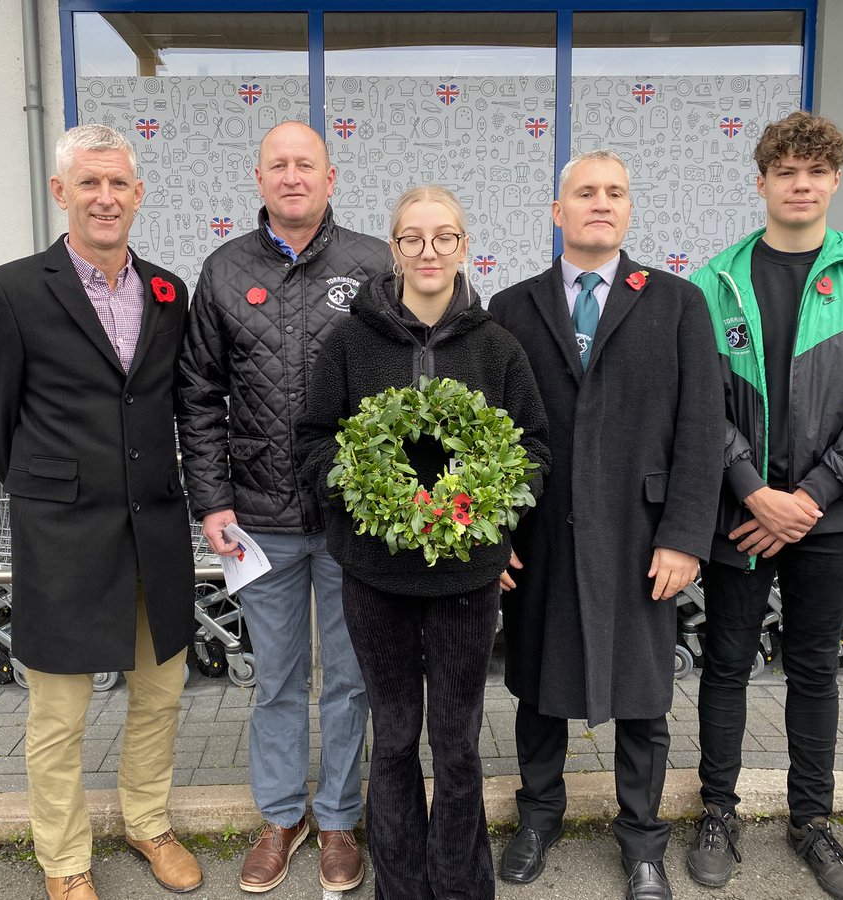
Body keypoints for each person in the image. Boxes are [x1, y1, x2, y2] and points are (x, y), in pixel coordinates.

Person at [0, 124, 200, 900]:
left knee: (160, 694)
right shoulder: (11, 291)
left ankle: (148, 822)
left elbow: (171, 400)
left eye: (118, 183)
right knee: (59, 714)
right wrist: (51, 485)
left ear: (138, 194)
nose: (105, 198)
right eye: (89, 183)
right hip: (62, 534)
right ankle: (64, 861)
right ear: (61, 191)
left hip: (154, 525)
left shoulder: (167, 290)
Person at [687, 111, 843, 900]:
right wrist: (752, 489)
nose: (800, 184)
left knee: (815, 666)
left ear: (835, 180)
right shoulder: (714, 282)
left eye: (815, 172)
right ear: (760, 182)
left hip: (830, 513)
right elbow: (697, 403)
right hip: (740, 509)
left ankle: (811, 819)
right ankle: (718, 810)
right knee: (726, 662)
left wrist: (809, 498)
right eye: (785, 171)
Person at [295, 186, 551, 900]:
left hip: (465, 581)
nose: (429, 250)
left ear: (464, 247)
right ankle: (402, 884)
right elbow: (313, 440)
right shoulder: (350, 344)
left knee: (458, 740)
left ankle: (462, 883)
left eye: (444, 237)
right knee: (397, 734)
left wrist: (489, 512)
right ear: (395, 248)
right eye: (413, 237)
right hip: (375, 577)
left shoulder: (497, 347)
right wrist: (362, 489)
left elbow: (534, 447)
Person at [489, 150, 723, 900]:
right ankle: (538, 817)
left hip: (641, 534)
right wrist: (495, 535)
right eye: (585, 192)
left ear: (628, 209)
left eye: (614, 192)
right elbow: (487, 435)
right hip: (543, 533)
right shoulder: (512, 308)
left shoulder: (678, 302)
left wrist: (685, 536)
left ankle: (643, 840)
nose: (600, 202)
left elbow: (701, 428)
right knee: (538, 684)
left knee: (643, 693)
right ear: (558, 212)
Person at [178, 121, 389, 894]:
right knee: (275, 679)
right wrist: (212, 501)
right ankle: (281, 816)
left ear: (331, 178)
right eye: (279, 165)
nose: (292, 176)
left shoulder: (373, 264)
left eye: (306, 165)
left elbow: (403, 381)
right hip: (257, 521)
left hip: (350, 520)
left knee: (350, 679)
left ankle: (337, 818)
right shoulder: (224, 270)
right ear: (259, 178)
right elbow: (198, 394)